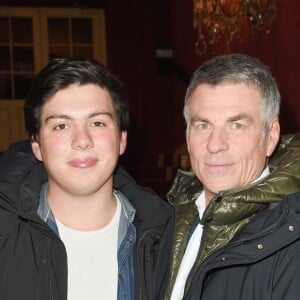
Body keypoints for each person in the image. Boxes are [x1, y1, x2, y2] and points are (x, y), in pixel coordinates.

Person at [0, 57, 172, 300]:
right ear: (36, 145)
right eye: (61, 126)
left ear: (122, 139)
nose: (82, 140)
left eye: (97, 122)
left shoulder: (166, 239)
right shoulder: (5, 232)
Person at [164, 53, 300, 300]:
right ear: (187, 136)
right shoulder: (168, 222)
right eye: (203, 125)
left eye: (236, 125)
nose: (215, 145)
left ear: (270, 136)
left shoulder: (292, 243)